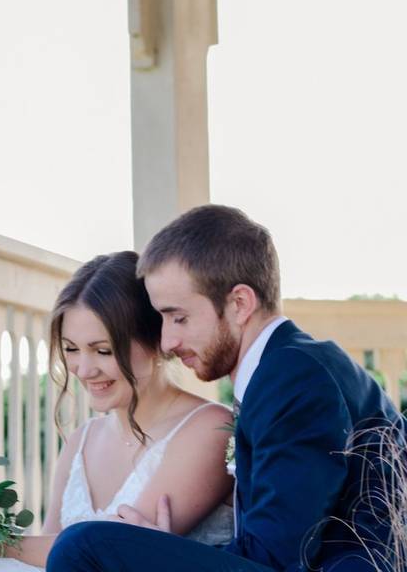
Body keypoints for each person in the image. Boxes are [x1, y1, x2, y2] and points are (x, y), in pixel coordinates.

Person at [46, 205, 403, 572]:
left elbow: (277, 558)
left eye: (178, 317)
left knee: (85, 544)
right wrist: (161, 549)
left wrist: (152, 554)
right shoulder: (281, 371)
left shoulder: (295, 376)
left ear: (239, 304)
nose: (167, 341)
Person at [0, 250, 235, 571]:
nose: (85, 369)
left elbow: (105, 553)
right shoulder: (81, 441)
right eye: (71, 349)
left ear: (156, 339)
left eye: (103, 351)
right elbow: (44, 562)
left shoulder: (208, 429)